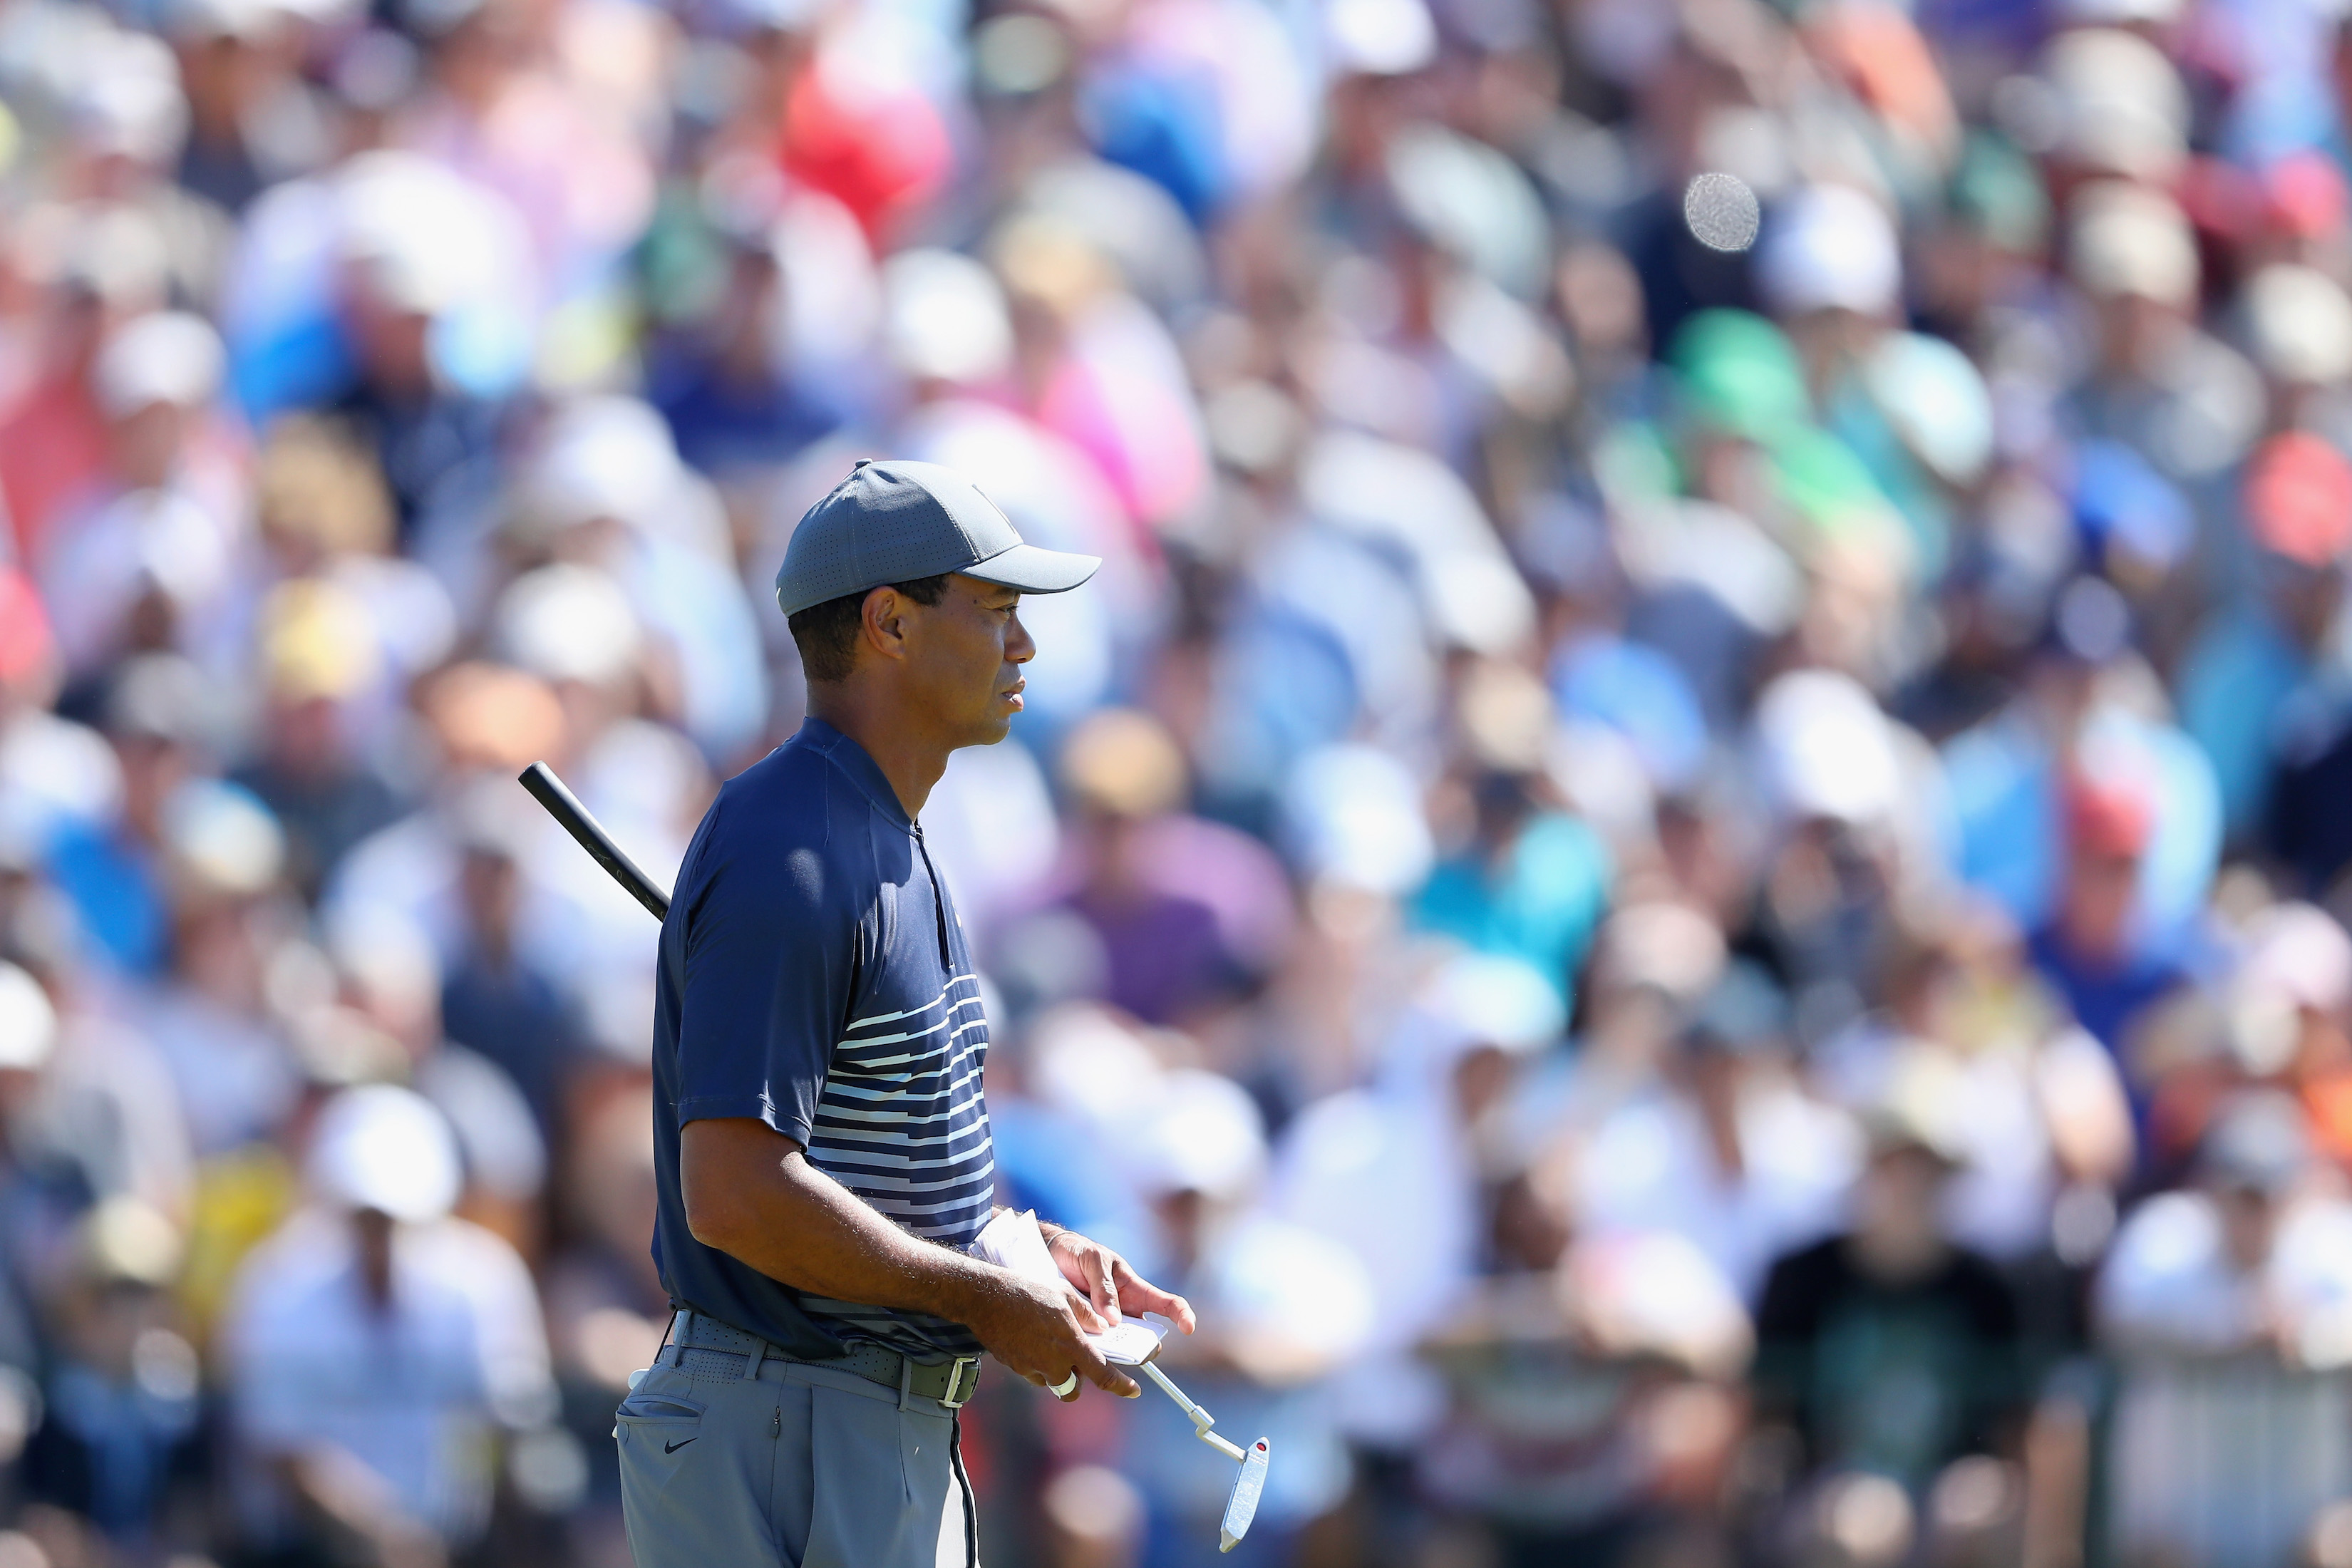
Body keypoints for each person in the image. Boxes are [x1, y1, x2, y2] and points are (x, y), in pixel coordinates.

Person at [620, 458, 1196, 1568]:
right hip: (786, 1425)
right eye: (992, 612)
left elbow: (869, 1153)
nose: (1023, 646)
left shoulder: (881, 837)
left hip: (851, 1426)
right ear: (887, 623)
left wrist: (1018, 1253)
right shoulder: (789, 850)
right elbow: (735, 1192)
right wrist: (980, 1298)